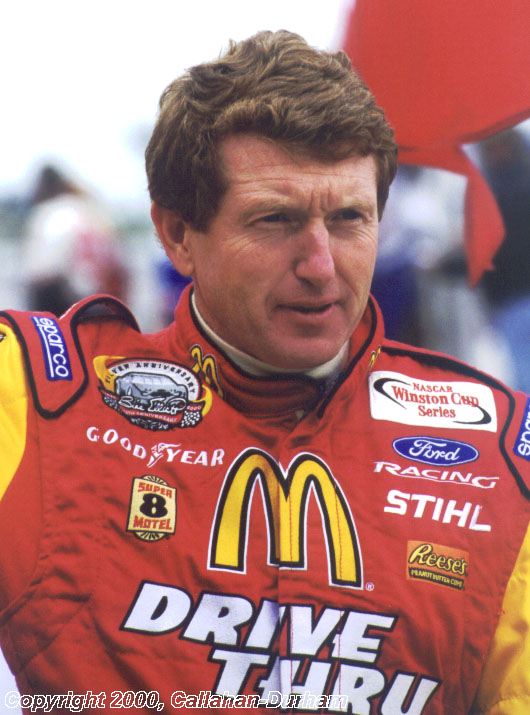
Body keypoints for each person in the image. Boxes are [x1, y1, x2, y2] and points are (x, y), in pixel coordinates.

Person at [0, 30, 528, 715]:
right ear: (177, 234)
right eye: (274, 220)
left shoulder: (502, 451)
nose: (321, 264)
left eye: (348, 219)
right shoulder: (44, 400)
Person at [22, 164, 128, 316]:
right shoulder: (97, 212)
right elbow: (121, 265)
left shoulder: (49, 214)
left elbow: (40, 274)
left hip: (68, 306)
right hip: (107, 304)